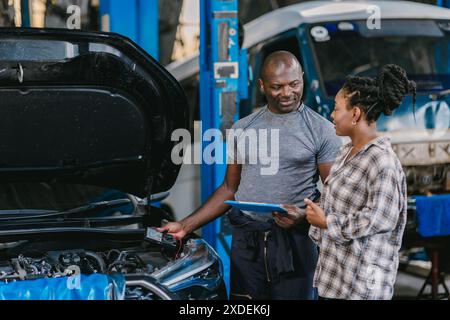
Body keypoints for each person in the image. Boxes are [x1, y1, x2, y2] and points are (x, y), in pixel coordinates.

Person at [158, 51, 341, 300]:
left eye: (294, 84)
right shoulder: (243, 128)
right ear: (262, 85)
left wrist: (301, 216)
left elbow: (336, 195)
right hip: (248, 246)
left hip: (295, 245)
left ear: (302, 79)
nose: (287, 93)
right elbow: (229, 188)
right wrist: (184, 226)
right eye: (277, 87)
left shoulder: (321, 130)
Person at [285, 64, 414, 300]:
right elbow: (339, 205)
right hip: (336, 281)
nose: (332, 115)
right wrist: (305, 214)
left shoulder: (382, 161)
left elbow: (379, 219)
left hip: (362, 287)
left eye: (336, 108)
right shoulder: (346, 152)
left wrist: (327, 222)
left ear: (355, 114)